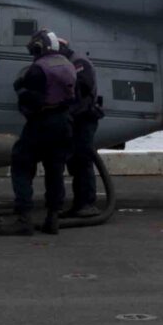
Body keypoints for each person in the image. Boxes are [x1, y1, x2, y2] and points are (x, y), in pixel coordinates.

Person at [3, 31, 77, 235]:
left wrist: (20, 90)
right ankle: (53, 218)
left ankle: (24, 219)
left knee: (21, 163)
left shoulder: (38, 69)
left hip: (42, 122)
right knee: (55, 170)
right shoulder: (67, 64)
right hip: (64, 122)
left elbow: (32, 101)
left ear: (39, 48)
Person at [57, 36, 104, 217]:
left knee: (83, 160)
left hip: (84, 119)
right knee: (75, 162)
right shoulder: (69, 63)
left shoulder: (78, 62)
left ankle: (86, 203)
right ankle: (80, 204)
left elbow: (83, 87)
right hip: (75, 119)